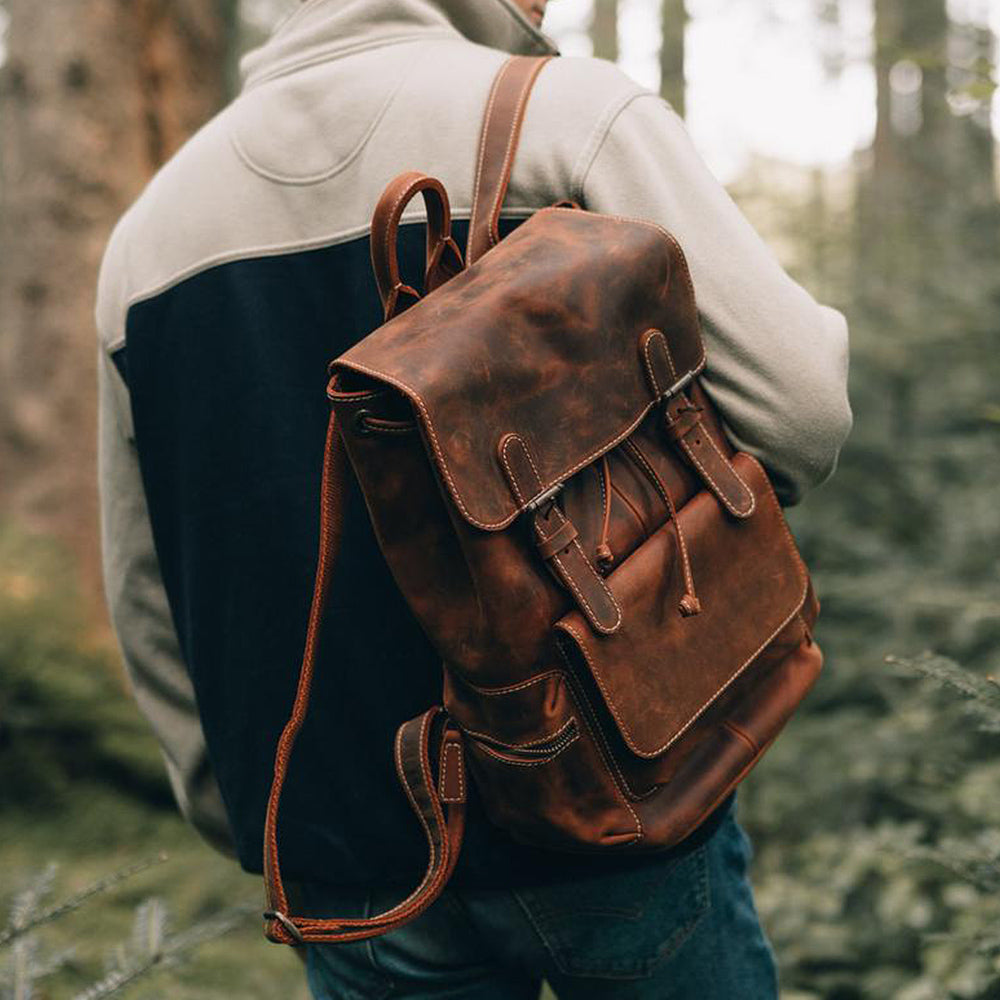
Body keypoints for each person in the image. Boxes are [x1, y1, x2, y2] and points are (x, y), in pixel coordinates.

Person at [96, 0, 852, 996]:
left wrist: (249, 806)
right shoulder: (568, 118)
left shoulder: (148, 237)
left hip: (347, 853)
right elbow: (799, 413)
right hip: (610, 790)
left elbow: (148, 586)